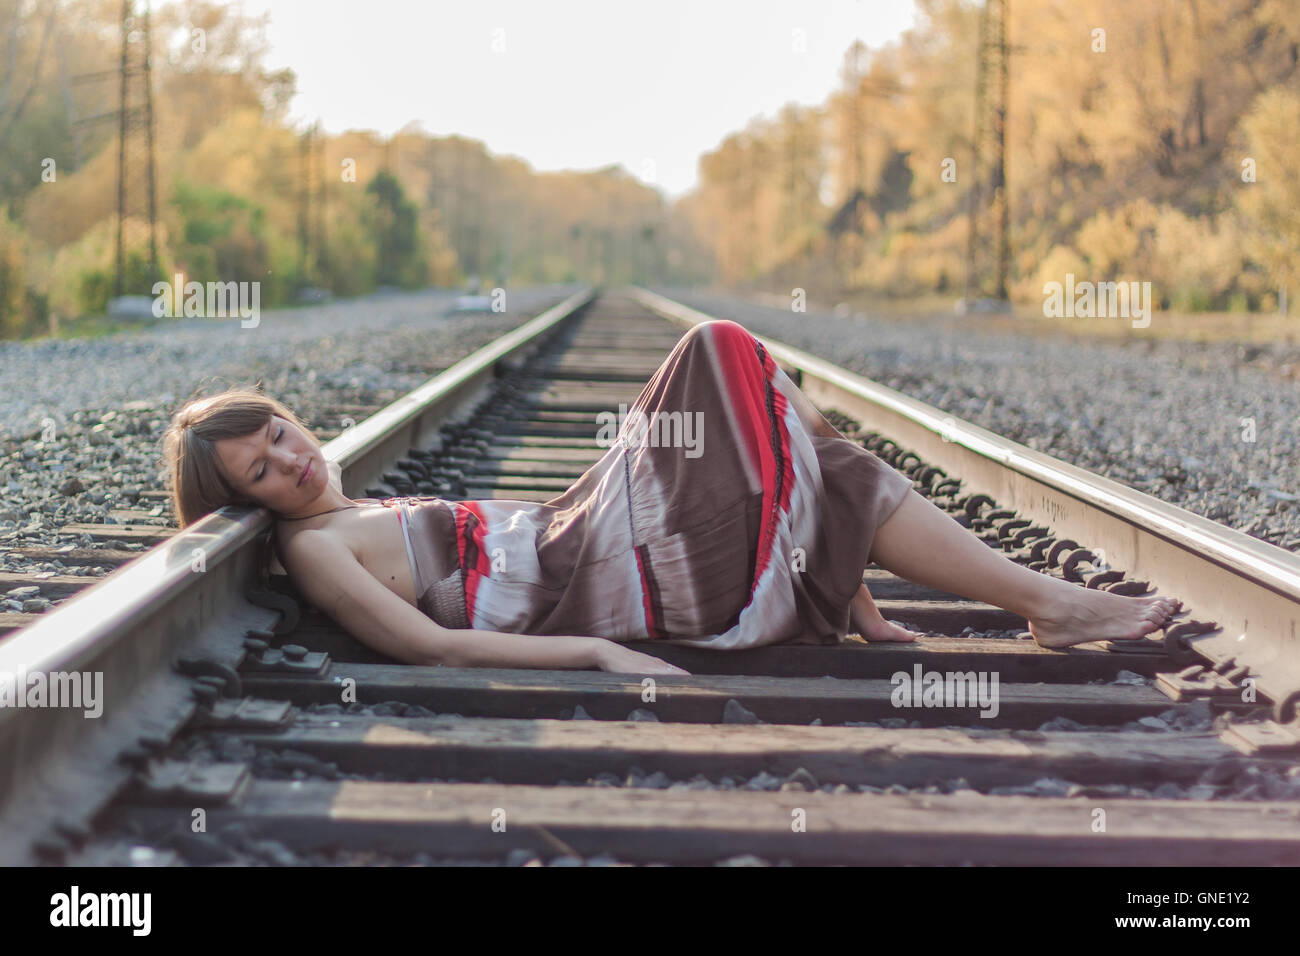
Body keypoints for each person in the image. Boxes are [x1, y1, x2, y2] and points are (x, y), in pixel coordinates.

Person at [161, 319, 1179, 676]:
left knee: (788, 427)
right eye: (259, 469)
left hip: (592, 533)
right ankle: (1011, 600)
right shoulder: (315, 550)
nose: (289, 459)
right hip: (605, 580)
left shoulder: (346, 510)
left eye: (280, 433)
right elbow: (427, 646)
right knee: (719, 354)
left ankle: (1026, 602)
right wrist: (599, 652)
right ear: (242, 497)